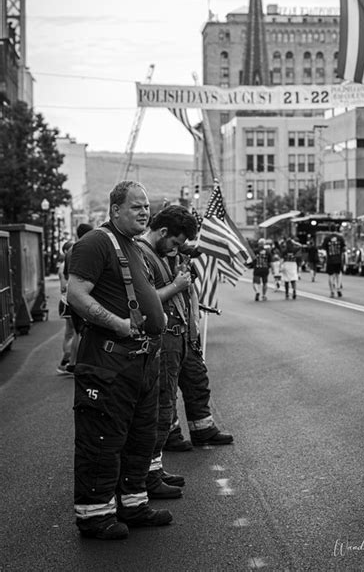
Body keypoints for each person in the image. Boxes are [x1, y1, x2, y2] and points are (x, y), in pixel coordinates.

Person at [67, 181, 171, 540]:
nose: (145, 212)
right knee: (102, 440)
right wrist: (120, 325)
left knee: (140, 438)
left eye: (146, 207)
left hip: (139, 365)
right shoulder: (96, 242)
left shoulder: (135, 247)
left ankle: (134, 504)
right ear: (115, 210)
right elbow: (76, 296)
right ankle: (95, 516)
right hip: (108, 364)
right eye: (136, 207)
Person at [138, 206, 233, 456]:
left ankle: (202, 428)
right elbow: (145, 299)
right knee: (164, 392)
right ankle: (166, 439)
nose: (176, 248)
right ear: (163, 232)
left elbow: (191, 264)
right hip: (164, 333)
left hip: (183, 331)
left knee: (196, 380)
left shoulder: (171, 252)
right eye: (175, 242)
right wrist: (177, 284)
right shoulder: (143, 254)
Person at [57, 223, 94, 375]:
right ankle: (76, 364)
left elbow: (66, 276)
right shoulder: (85, 249)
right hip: (83, 296)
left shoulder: (70, 251)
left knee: (75, 332)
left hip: (71, 297)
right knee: (82, 332)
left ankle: (71, 362)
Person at [56, 240, 76, 375]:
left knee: (69, 333)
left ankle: (66, 362)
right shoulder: (66, 265)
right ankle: (67, 361)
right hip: (69, 302)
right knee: (75, 333)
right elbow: (64, 286)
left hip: (64, 301)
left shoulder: (63, 265)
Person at [321, 224, 346, 298]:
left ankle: (332, 291)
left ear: (329, 229)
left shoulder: (327, 238)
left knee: (330, 276)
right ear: (336, 229)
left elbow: (323, 249)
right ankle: (338, 289)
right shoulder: (340, 238)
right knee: (339, 274)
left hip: (330, 260)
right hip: (338, 260)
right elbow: (344, 248)